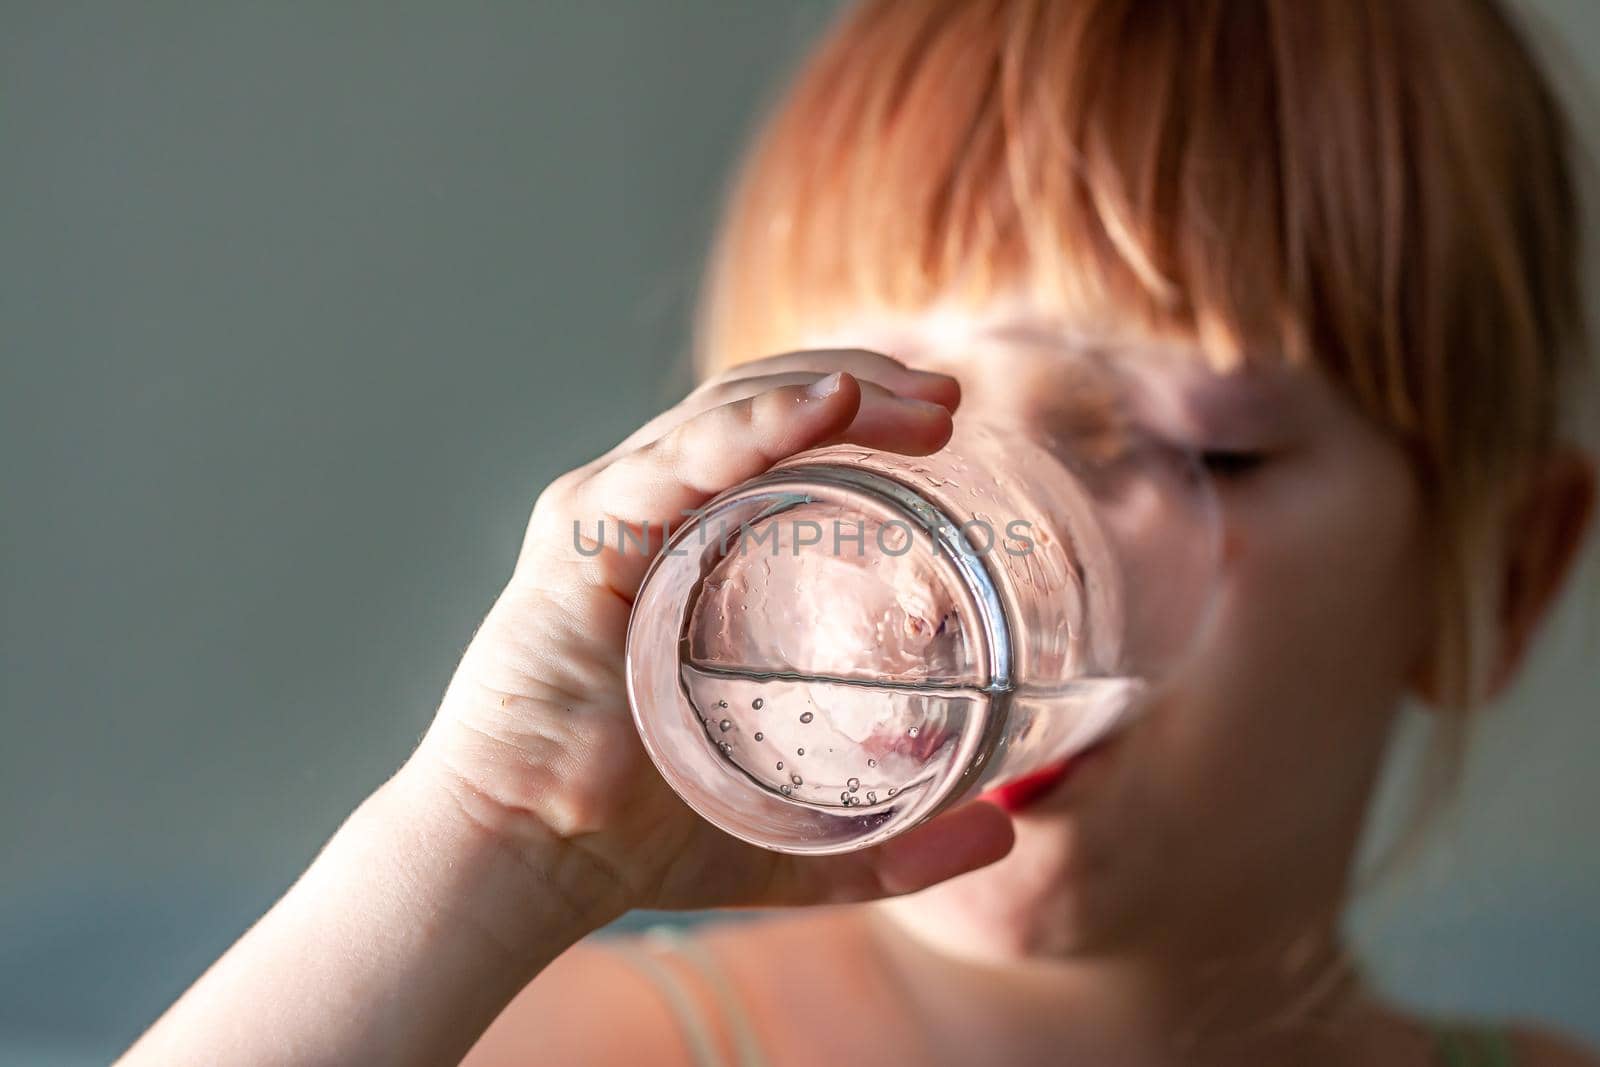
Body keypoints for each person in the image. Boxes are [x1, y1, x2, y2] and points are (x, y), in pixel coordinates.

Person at [122, 1, 1599, 1064]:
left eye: (1198, 444)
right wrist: (502, 849)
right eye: (865, 440)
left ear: (1501, 576)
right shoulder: (589, 1044)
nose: (942, 592)